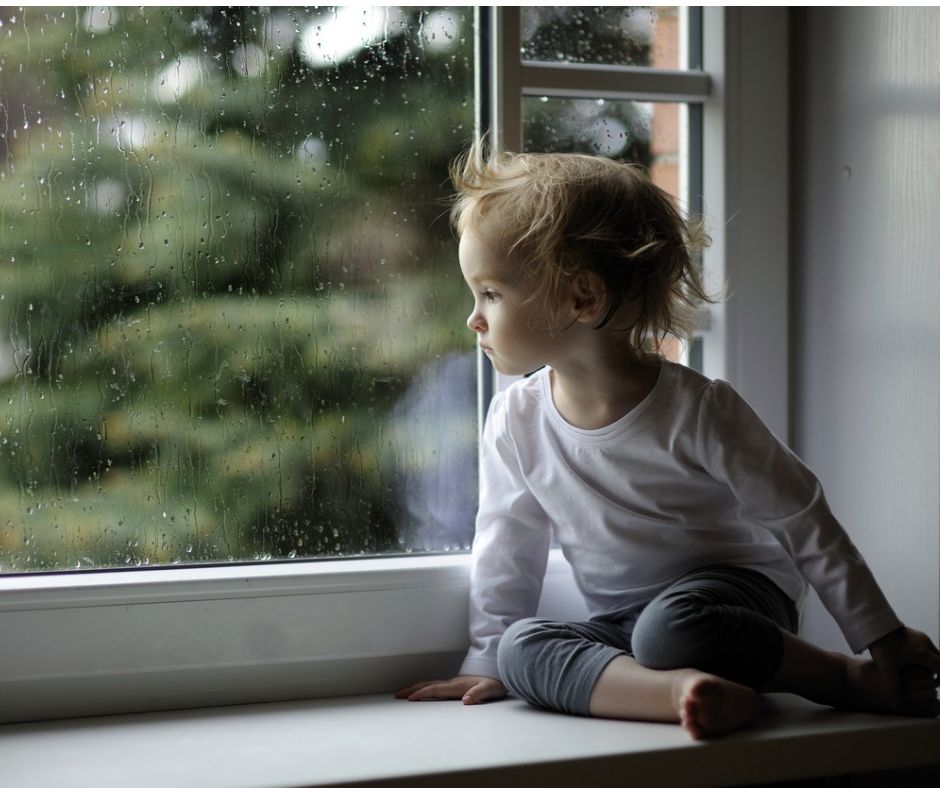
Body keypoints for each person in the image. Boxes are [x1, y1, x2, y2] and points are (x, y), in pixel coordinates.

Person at [396, 145, 940, 739]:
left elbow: (802, 517)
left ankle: (840, 678)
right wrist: (485, 661)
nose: (474, 317)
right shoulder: (513, 420)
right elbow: (506, 545)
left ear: (583, 298)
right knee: (522, 648)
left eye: (491, 294)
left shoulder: (699, 410)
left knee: (672, 629)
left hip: (729, 606)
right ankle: (682, 694)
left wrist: (881, 636)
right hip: (624, 625)